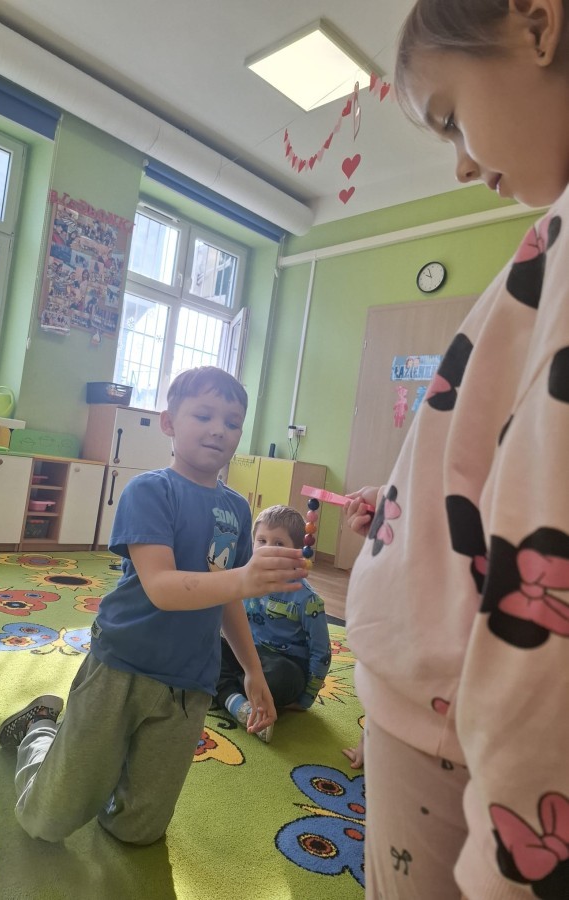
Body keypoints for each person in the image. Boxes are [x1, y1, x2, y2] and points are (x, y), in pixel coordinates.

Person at [344, 1, 569, 897]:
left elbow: (545, 569)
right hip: (433, 692)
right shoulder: (549, 240)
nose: (464, 164)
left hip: (447, 712)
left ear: (536, 25)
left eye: (448, 118)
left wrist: (510, 854)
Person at [0, 366, 307, 845]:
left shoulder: (237, 509)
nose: (219, 429)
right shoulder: (150, 490)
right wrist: (244, 578)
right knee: (45, 820)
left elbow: (227, 597)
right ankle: (40, 726)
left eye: (232, 422)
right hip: (123, 664)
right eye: (203, 415)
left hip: (189, 682)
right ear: (169, 423)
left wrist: (252, 670)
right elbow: (162, 586)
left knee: (137, 831)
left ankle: (108, 768)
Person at [215, 504, 332, 743]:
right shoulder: (245, 583)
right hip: (248, 657)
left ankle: (225, 689)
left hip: (283, 666)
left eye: (278, 543)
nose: (268, 549)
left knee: (279, 678)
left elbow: (321, 653)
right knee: (206, 647)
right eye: (262, 541)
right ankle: (237, 702)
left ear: (296, 552)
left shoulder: (307, 600)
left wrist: (304, 700)